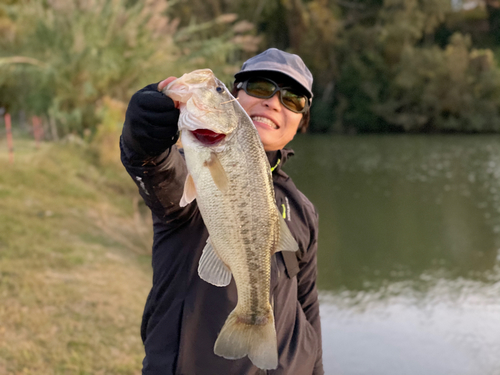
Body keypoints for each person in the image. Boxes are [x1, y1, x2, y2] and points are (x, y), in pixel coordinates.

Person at [120, 48, 324, 375]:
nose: (273, 101)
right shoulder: (191, 167)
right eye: (259, 87)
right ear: (235, 97)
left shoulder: (302, 209)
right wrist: (143, 132)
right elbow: (156, 168)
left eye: (293, 99)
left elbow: (307, 307)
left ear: (302, 122)